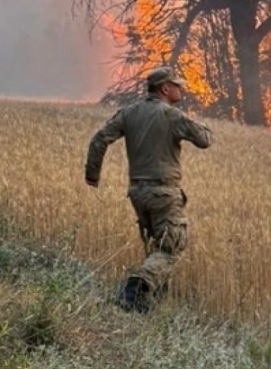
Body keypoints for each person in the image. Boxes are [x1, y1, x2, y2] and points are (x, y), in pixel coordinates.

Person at [84, 66, 212, 313]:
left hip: (137, 193)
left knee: (157, 246)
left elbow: (100, 139)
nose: (181, 88)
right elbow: (204, 140)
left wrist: (92, 174)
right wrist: (201, 124)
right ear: (165, 88)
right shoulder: (171, 115)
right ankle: (137, 285)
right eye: (177, 85)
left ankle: (147, 303)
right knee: (171, 247)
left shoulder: (129, 113)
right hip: (164, 193)